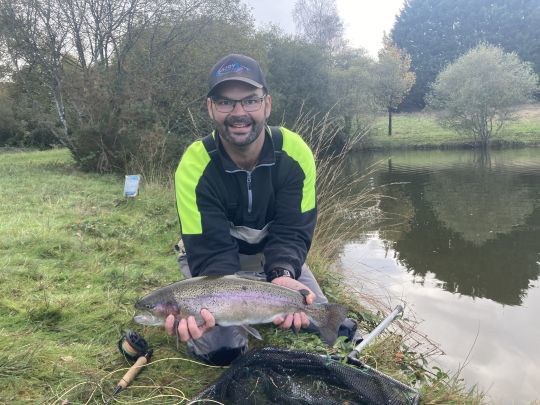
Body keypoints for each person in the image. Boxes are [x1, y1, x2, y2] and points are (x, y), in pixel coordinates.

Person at [167, 54, 355, 365]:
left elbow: (293, 230)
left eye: (250, 100)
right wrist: (220, 306)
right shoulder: (194, 164)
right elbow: (210, 247)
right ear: (211, 109)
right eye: (226, 102)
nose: (239, 113)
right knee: (221, 351)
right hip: (215, 268)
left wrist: (282, 275)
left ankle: (271, 303)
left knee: (333, 324)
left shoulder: (295, 152)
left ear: (267, 105)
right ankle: (253, 316)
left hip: (272, 256)